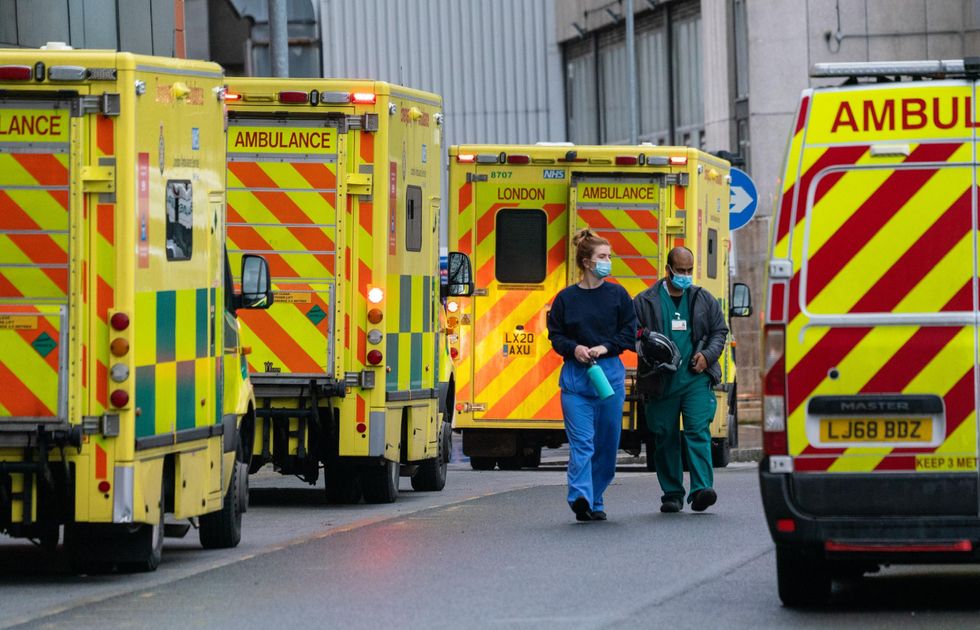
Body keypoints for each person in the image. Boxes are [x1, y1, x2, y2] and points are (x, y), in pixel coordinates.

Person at [547, 229, 637, 522]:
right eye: (602, 257)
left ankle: (595, 498)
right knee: (582, 443)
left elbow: (629, 331)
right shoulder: (565, 299)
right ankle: (580, 497)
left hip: (608, 375)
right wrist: (575, 349)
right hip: (576, 380)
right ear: (586, 262)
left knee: (607, 446)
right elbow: (556, 335)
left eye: (608, 257)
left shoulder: (618, 295)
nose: (607, 262)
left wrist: (605, 347)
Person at [634, 246, 728, 513]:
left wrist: (707, 356)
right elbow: (632, 334)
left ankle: (701, 490)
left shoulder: (703, 299)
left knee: (698, 430)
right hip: (662, 380)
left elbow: (719, 331)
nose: (686, 276)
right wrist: (650, 346)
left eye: (689, 271)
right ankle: (672, 493)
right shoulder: (645, 301)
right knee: (665, 435)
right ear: (668, 270)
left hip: (695, 378)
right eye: (681, 271)